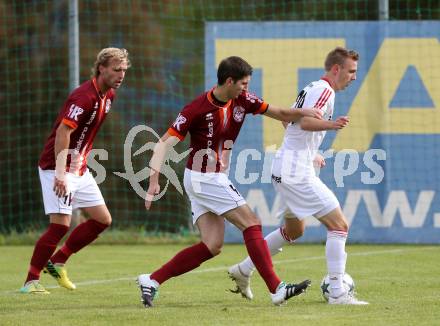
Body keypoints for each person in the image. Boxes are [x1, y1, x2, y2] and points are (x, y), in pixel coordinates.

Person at [137, 56, 324, 308]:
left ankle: (152, 280)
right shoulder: (195, 109)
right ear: (229, 81)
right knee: (252, 223)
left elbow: (278, 112)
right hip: (205, 178)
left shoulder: (242, 100)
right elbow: (163, 144)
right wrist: (153, 182)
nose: (246, 88)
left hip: (208, 178)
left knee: (211, 246)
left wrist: (301, 113)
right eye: (243, 84)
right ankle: (276, 288)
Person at [228, 47, 369, 305]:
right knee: (339, 226)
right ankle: (338, 292)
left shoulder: (312, 87)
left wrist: (310, 152)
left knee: (294, 229)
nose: (354, 77)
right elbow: (303, 123)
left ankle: (244, 269)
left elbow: (289, 121)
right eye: (351, 71)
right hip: (295, 172)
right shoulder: (324, 91)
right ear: (336, 69)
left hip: (287, 166)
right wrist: (332, 124)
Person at [20, 48, 130, 294]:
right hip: (56, 166)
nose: (121, 74)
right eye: (116, 69)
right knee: (59, 226)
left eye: (123, 70)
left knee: (102, 220)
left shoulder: (109, 95)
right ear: (101, 68)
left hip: (79, 168)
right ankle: (30, 282)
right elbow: (63, 132)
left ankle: (57, 261)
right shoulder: (84, 96)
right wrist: (60, 173)